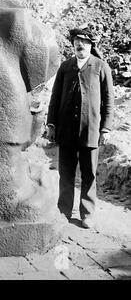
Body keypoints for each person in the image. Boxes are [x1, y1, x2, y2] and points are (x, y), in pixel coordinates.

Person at [46, 27, 114, 229]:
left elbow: (109, 101)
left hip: (90, 130)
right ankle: (64, 211)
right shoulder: (66, 67)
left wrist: (106, 129)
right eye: (77, 42)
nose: (80, 45)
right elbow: (55, 98)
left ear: (91, 45)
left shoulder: (101, 67)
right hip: (66, 130)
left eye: (84, 42)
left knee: (89, 174)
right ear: (73, 45)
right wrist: (51, 124)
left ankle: (87, 214)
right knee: (65, 173)